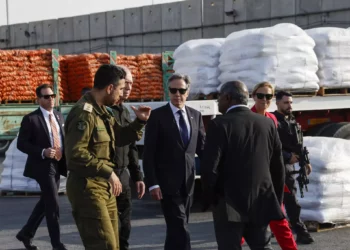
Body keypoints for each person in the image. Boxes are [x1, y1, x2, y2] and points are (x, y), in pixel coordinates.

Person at [64, 64, 151, 250]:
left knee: (114, 244)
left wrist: (140, 122)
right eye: (120, 89)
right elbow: (76, 154)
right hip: (88, 188)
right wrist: (109, 172)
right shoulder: (84, 113)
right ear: (109, 88)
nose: (122, 94)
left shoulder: (103, 111)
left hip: (105, 187)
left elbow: (119, 137)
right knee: (103, 245)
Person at [201, 80, 285, 250]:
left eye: (219, 98)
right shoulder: (267, 123)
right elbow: (278, 167)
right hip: (261, 201)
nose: (218, 102)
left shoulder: (219, 124)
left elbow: (210, 168)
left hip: (229, 205)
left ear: (228, 97)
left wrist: (211, 199)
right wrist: (275, 199)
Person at [143, 73, 206, 250]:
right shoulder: (157, 116)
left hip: (188, 183)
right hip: (166, 185)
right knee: (180, 227)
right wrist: (153, 184)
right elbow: (149, 154)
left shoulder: (196, 115)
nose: (177, 94)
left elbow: (202, 150)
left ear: (187, 92)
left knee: (176, 229)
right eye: (173, 90)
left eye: (181, 90)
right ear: (168, 91)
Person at [16, 84, 67, 250]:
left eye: (52, 96)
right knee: (53, 205)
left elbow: (62, 139)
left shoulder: (59, 116)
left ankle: (26, 232)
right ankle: (56, 244)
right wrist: (42, 151)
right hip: (42, 166)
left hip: (57, 164)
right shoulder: (31, 119)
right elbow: (21, 144)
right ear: (38, 99)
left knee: (46, 202)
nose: (51, 99)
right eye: (46, 97)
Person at [247, 82, 297, 250]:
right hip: (252, 179)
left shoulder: (272, 118)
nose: (264, 99)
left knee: (280, 221)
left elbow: (276, 148)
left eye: (268, 96)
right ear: (253, 97)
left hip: (272, 178)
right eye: (260, 95)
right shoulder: (248, 119)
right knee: (243, 225)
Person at [110, 65, 146, 250]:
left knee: (125, 226)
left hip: (123, 177)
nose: (129, 88)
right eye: (126, 83)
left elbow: (131, 146)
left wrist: (137, 177)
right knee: (109, 230)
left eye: (132, 84)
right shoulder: (104, 111)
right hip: (107, 177)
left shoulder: (124, 111)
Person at [273, 90, 314, 244]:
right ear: (277, 103)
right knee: (286, 201)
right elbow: (271, 145)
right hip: (277, 166)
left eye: (291, 102)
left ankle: (297, 231)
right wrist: (287, 157)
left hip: (289, 168)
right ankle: (300, 231)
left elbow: (299, 144)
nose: (289, 105)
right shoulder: (273, 121)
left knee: (289, 200)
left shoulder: (291, 120)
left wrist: (305, 161)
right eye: (286, 102)